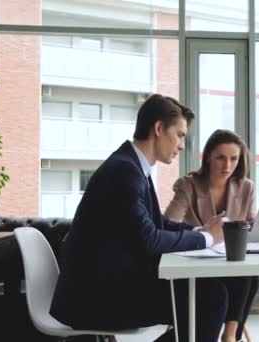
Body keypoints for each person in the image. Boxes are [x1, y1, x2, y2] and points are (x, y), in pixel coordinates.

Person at [50, 94, 228, 342]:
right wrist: (209, 239)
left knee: (207, 295)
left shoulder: (132, 166)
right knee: (210, 297)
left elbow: (157, 224)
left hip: (106, 286)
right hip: (96, 298)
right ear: (158, 128)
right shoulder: (124, 171)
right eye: (179, 134)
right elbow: (149, 241)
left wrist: (199, 232)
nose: (182, 145)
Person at [165, 129, 259, 342]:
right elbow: (168, 224)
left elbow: (251, 224)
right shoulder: (188, 185)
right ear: (207, 157)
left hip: (227, 261)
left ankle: (230, 334)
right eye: (221, 158)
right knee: (241, 277)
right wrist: (203, 233)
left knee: (249, 273)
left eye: (234, 159)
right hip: (195, 265)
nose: (228, 165)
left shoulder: (246, 187)